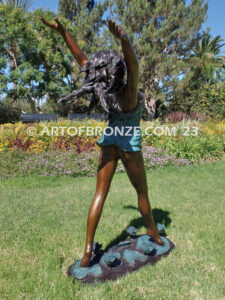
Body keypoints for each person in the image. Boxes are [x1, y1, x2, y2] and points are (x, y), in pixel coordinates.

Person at [40, 16, 164, 267]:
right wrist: (125, 40)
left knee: (99, 194)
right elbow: (135, 65)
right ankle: (152, 230)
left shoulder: (106, 90)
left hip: (109, 143)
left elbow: (83, 61)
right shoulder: (129, 93)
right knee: (142, 192)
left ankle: (87, 253)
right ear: (121, 70)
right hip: (129, 146)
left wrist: (64, 33)